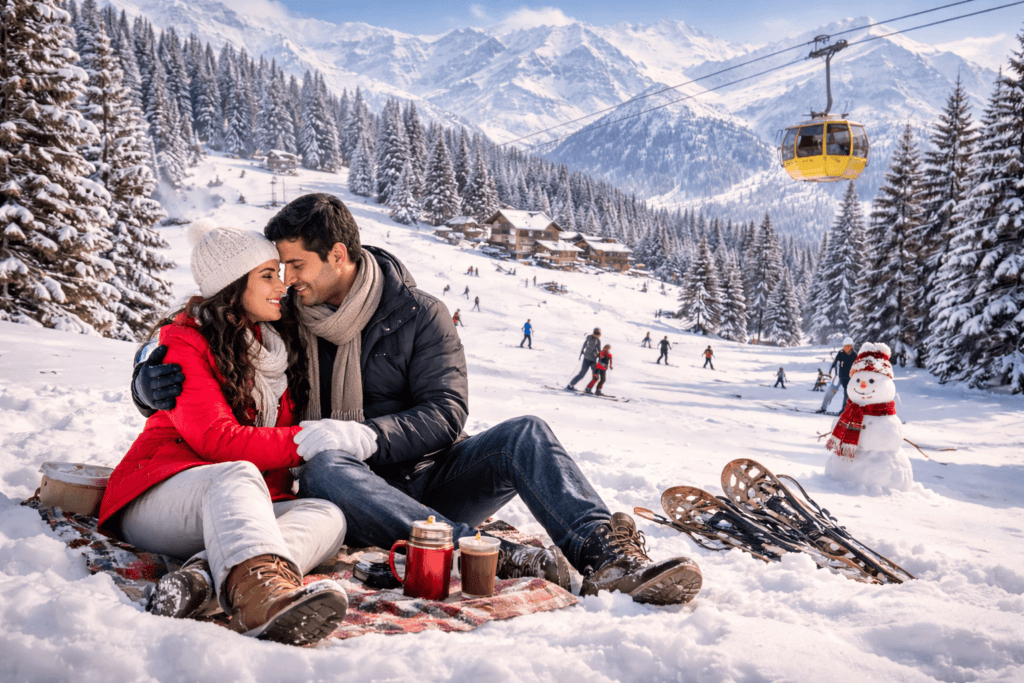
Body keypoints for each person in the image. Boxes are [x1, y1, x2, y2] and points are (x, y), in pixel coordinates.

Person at [134, 195, 702, 606]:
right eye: (279, 269)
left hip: (426, 479)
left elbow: (447, 413)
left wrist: (371, 436)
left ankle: (607, 557)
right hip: (341, 487)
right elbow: (211, 349)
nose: (287, 281)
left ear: (337, 256)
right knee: (328, 463)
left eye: (296, 266)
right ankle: (483, 553)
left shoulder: (419, 314)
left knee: (525, 432)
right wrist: (146, 381)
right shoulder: (287, 323)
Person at [104, 221, 348, 646]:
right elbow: (218, 441)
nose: (283, 285)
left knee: (328, 514)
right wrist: (311, 441)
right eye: (268, 275)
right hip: (162, 495)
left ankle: (202, 579)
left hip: (239, 503)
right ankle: (261, 598)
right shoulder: (183, 342)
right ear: (233, 285)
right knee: (234, 471)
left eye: (281, 272)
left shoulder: (274, 344)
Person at [566, 327, 602, 392]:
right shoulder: (590, 338)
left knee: (595, 376)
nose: (597, 334)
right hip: (587, 359)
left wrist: (599, 359)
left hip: (593, 360)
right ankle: (570, 385)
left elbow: (599, 350)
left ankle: (588, 388)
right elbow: (586, 345)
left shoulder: (598, 341)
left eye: (598, 333)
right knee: (582, 374)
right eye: (596, 332)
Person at [829, 337, 857, 409]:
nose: (847, 348)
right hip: (840, 376)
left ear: (852, 347)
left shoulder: (854, 355)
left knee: (847, 395)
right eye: (846, 347)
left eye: (849, 346)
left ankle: (844, 410)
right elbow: (835, 363)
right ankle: (823, 407)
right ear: (843, 347)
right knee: (831, 391)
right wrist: (831, 371)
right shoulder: (841, 353)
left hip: (849, 378)